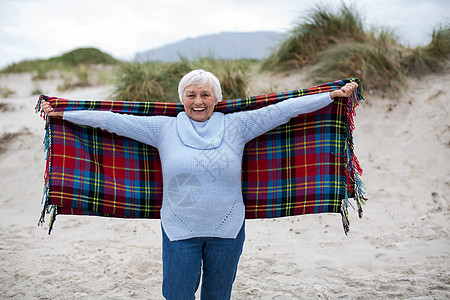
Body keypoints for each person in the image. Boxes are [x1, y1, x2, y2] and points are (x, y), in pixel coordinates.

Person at [41, 69, 358, 300]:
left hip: (229, 229)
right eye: (190, 94)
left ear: (216, 98)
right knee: (177, 295)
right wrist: (61, 112)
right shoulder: (164, 129)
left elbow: (282, 111)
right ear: (181, 98)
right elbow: (111, 120)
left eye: (205, 94)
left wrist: (330, 96)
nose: (197, 101)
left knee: (217, 297)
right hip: (179, 229)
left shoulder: (236, 125)